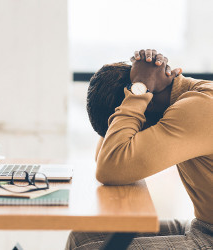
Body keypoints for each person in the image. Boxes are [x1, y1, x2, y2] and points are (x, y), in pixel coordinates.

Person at [65, 49, 213, 249]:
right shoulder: (181, 97)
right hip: (203, 227)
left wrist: (138, 90)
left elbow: (110, 166)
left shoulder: (195, 108)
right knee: (81, 237)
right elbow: (103, 156)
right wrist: (140, 88)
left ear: (146, 105)